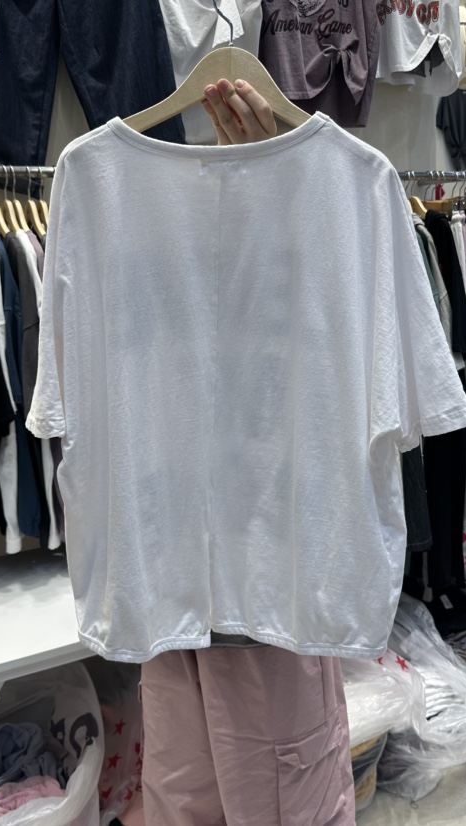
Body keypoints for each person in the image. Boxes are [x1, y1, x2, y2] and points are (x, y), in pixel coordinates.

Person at [138, 78, 357, 826]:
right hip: (172, 599)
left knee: (271, 796)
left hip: (267, 604)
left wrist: (285, 190)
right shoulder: (137, 222)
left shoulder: (331, 216)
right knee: (188, 796)